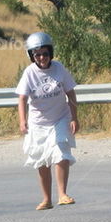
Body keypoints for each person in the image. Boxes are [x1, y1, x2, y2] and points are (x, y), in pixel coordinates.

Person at [15, 32, 79, 210]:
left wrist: (74, 117)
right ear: (32, 56)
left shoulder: (59, 68)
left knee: (61, 152)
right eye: (37, 54)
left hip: (60, 117)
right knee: (41, 161)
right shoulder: (29, 73)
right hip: (38, 122)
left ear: (51, 53)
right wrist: (22, 120)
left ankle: (62, 194)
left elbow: (70, 92)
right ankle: (46, 199)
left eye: (45, 53)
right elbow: (22, 98)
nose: (42, 57)